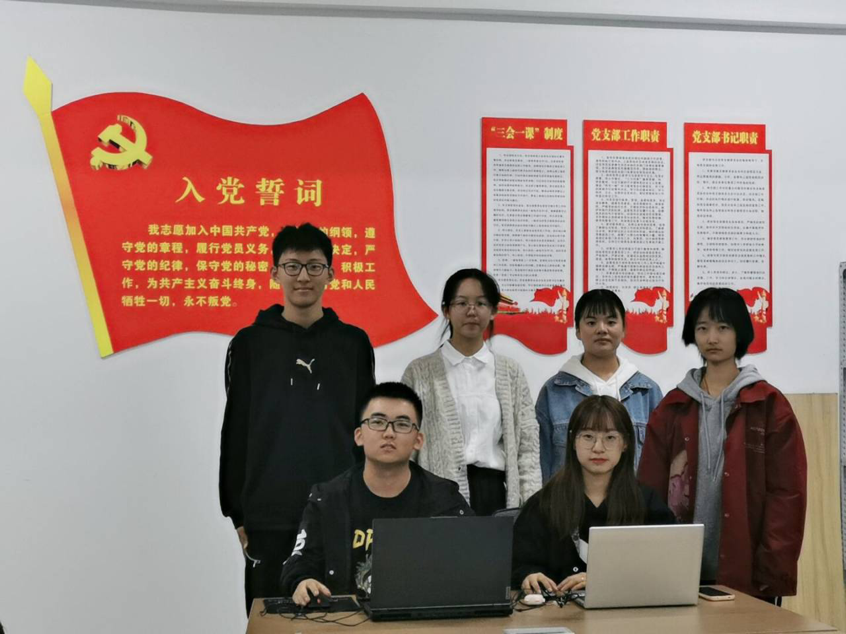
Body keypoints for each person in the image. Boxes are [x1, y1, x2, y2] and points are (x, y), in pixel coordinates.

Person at [219, 222, 375, 614]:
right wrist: (236, 511)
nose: (303, 276)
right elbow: (236, 431)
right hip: (269, 511)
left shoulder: (353, 343)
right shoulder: (249, 344)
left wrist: (368, 499)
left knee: (341, 619)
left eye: (314, 266)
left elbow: (365, 429)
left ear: (331, 274)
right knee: (270, 618)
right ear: (275, 272)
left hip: (339, 509)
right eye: (292, 266)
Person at [638, 287, 807, 601]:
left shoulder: (768, 405)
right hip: (678, 569)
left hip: (749, 569)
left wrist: (773, 568)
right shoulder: (673, 407)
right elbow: (649, 489)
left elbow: (787, 495)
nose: (712, 338)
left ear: (739, 332)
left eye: (723, 327)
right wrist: (649, 562)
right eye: (702, 328)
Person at [280, 382, 473, 604]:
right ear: (359, 435)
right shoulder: (328, 499)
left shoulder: (444, 499)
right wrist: (302, 581)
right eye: (378, 422)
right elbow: (299, 561)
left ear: (418, 440)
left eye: (402, 424)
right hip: (347, 620)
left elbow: (472, 561)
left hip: (420, 617)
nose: (389, 433)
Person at [401, 269, 541, 516]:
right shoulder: (419, 372)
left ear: (493, 310)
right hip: (436, 493)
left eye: (481, 303)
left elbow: (527, 449)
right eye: (462, 303)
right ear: (446, 310)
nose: (472, 311)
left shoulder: (511, 373)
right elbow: (407, 444)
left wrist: (530, 507)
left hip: (494, 494)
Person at [513, 396, 675, 595]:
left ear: (625, 443)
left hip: (625, 608)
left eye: (610, 438)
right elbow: (518, 563)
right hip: (559, 608)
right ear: (573, 441)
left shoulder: (646, 502)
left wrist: (602, 579)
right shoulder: (544, 503)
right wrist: (529, 575)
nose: (598, 448)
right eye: (588, 436)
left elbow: (667, 565)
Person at [537, 289, 662, 482]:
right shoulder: (553, 392)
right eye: (591, 322)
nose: (602, 329)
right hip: (569, 499)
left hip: (633, 499)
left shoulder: (647, 393)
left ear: (624, 329)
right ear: (577, 330)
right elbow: (541, 461)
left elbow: (660, 462)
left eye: (611, 322)